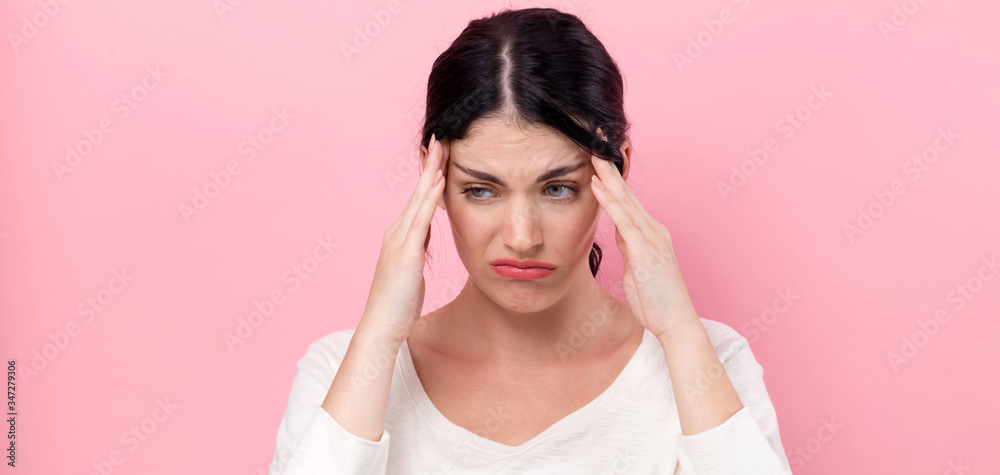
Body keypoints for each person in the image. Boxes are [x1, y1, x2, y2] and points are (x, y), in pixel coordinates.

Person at [269, 7, 792, 474]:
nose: (522, 238)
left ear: (617, 171)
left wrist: (679, 332)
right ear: (434, 177)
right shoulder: (343, 372)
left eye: (558, 188)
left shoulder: (707, 360)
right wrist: (380, 336)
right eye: (480, 190)